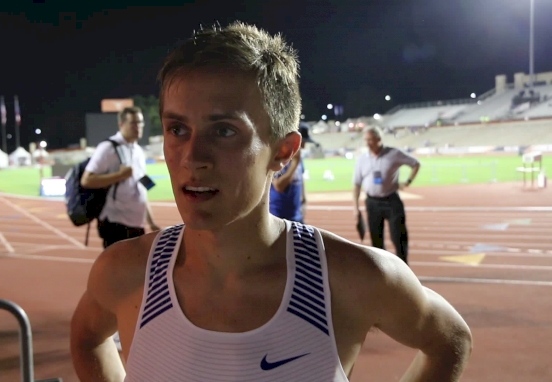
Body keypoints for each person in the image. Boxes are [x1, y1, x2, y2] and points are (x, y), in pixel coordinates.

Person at [70, 22, 471, 382]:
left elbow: (450, 340)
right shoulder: (124, 273)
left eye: (224, 131)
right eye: (178, 128)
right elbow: (87, 340)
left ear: (284, 151)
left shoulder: (352, 279)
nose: (192, 157)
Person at [80, 106, 160, 248]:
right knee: (118, 269)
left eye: (140, 123)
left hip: (136, 223)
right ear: (121, 124)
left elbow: (142, 188)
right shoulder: (108, 148)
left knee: (137, 268)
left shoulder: (138, 151)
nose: (138, 127)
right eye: (133, 123)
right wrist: (119, 175)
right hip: (115, 223)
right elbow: (87, 180)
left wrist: (151, 221)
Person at [352, 126, 421, 264]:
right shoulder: (362, 159)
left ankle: (404, 269)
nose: (368, 143)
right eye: (366, 140)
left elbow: (415, 164)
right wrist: (356, 208)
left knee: (399, 237)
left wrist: (407, 182)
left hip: (392, 201)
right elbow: (356, 184)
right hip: (372, 203)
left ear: (379, 139)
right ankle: (382, 272)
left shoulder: (394, 153)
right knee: (376, 240)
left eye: (371, 140)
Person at [269, 122, 314, 223]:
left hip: (297, 216)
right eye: (302, 143)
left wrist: (304, 200)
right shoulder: (279, 158)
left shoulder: (298, 160)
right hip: (279, 218)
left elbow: (300, 180)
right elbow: (279, 186)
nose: (304, 147)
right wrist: (294, 164)